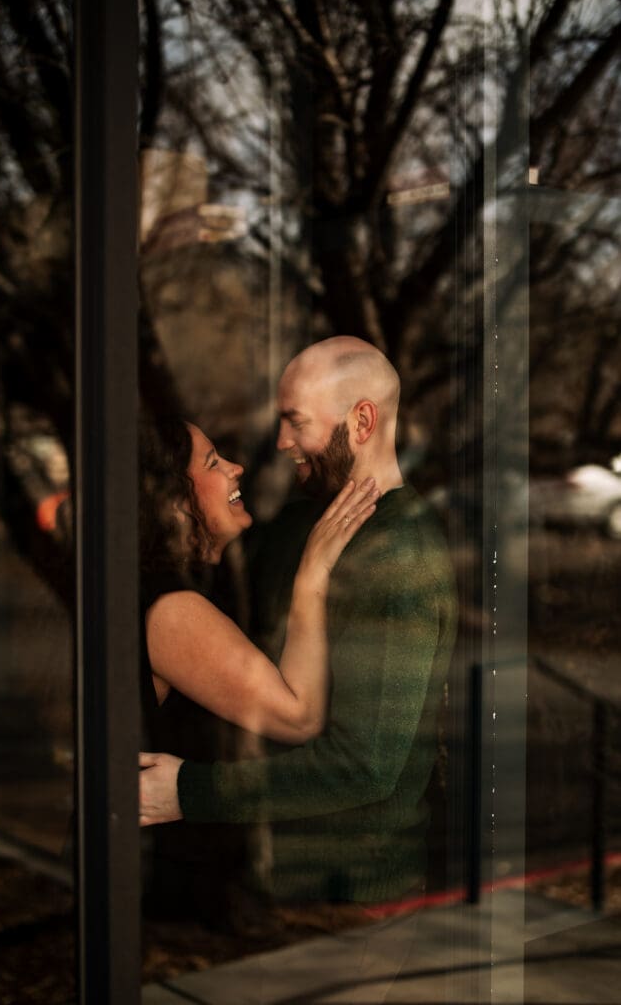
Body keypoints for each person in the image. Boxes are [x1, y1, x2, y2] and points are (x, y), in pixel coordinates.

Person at [140, 336, 457, 911]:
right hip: (276, 893)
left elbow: (363, 767)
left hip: (352, 900)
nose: (281, 442)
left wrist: (191, 791)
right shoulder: (295, 527)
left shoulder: (397, 557)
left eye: (296, 421)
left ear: (361, 421)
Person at [138, 410, 378, 922]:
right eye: (212, 462)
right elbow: (298, 717)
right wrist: (314, 571)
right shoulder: (171, 610)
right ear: (177, 502)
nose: (236, 468)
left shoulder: (165, 591)